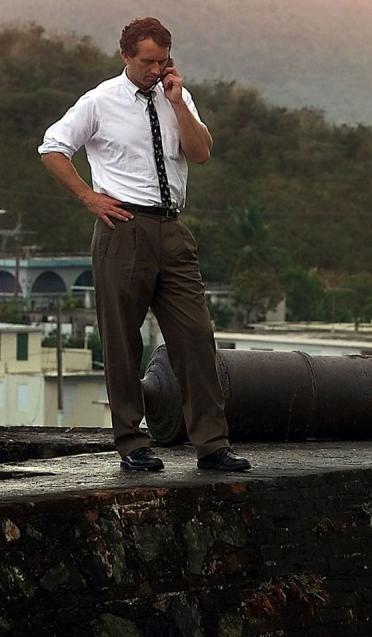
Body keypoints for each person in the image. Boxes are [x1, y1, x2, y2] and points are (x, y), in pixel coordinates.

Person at [38, 17, 250, 472]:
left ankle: (212, 444)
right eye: (146, 61)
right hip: (123, 227)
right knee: (122, 340)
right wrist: (88, 197)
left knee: (195, 336)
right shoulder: (99, 101)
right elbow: (52, 148)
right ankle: (132, 443)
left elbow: (200, 153)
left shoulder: (179, 96)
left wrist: (178, 103)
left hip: (172, 228)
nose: (155, 69)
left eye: (162, 61)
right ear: (126, 57)